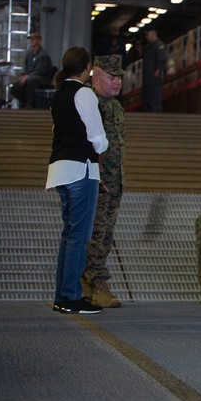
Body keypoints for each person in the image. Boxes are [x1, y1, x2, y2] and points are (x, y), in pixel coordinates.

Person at [46, 46, 109, 314]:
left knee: (68, 236)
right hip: (81, 169)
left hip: (59, 169)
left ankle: (62, 295)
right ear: (87, 68)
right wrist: (103, 146)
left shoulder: (58, 95)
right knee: (79, 236)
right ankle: (71, 296)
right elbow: (97, 137)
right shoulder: (84, 93)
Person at [81, 55, 126, 308]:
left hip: (114, 182)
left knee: (105, 235)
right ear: (96, 79)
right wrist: (95, 175)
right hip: (97, 182)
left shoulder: (116, 107)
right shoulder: (91, 103)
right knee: (96, 235)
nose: (117, 82)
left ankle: (87, 283)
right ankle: (97, 283)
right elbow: (85, 141)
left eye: (119, 77)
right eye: (112, 77)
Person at [9, 32, 55, 108]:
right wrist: (23, 75)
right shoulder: (29, 54)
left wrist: (28, 76)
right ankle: (24, 101)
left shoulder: (43, 55)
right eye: (30, 39)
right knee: (15, 87)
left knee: (31, 80)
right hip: (30, 76)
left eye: (33, 39)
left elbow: (41, 70)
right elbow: (26, 67)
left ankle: (30, 103)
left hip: (43, 78)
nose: (31, 41)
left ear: (39, 41)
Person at [141, 29, 167, 112]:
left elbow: (162, 58)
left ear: (153, 34)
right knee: (147, 93)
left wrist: (158, 69)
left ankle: (156, 109)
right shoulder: (148, 47)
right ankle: (148, 109)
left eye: (148, 35)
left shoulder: (159, 45)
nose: (147, 37)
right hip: (147, 75)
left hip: (154, 74)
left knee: (154, 92)